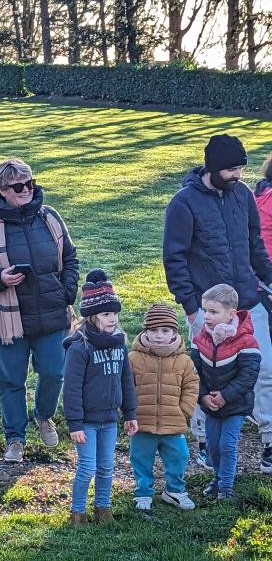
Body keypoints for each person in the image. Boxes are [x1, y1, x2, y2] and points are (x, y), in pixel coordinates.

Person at [163, 134, 272, 473]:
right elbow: (174, 258)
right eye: (231, 169)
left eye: (241, 167)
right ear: (213, 168)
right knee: (206, 378)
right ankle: (204, 442)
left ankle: (269, 441)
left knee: (265, 370)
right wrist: (192, 308)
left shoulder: (243, 196)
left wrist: (268, 279)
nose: (238, 174)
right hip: (208, 308)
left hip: (248, 302)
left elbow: (254, 244)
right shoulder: (184, 203)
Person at [0, 158, 79, 463]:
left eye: (30, 183)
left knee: (54, 372)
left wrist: (67, 291)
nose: (26, 189)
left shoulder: (51, 218)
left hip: (52, 315)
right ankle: (15, 438)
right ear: (2, 190)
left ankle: (43, 416)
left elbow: (70, 257)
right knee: (11, 381)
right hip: (8, 320)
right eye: (18, 186)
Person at [63, 269, 137, 526]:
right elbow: (71, 388)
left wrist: (130, 413)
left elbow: (126, 380)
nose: (113, 319)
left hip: (109, 419)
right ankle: (77, 513)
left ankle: (103, 510)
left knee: (107, 467)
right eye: (107, 314)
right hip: (86, 423)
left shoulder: (119, 344)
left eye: (115, 313)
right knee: (87, 468)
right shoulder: (79, 348)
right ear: (92, 316)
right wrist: (75, 423)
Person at [191, 284, 261, 500]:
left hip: (235, 405)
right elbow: (194, 372)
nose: (207, 316)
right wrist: (203, 396)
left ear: (231, 314)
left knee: (227, 444)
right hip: (210, 405)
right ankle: (218, 478)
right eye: (205, 311)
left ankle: (226, 488)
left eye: (214, 312)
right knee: (212, 445)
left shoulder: (246, 341)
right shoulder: (200, 339)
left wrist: (224, 396)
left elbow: (248, 377)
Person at [129, 304, 199, 511]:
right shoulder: (133, 358)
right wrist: (129, 412)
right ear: (145, 331)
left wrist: (184, 411)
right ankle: (143, 493)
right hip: (142, 423)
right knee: (141, 460)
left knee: (180, 456)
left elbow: (192, 386)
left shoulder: (184, 360)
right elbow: (124, 386)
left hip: (173, 422)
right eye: (153, 330)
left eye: (165, 331)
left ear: (174, 333)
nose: (159, 336)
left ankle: (174, 491)